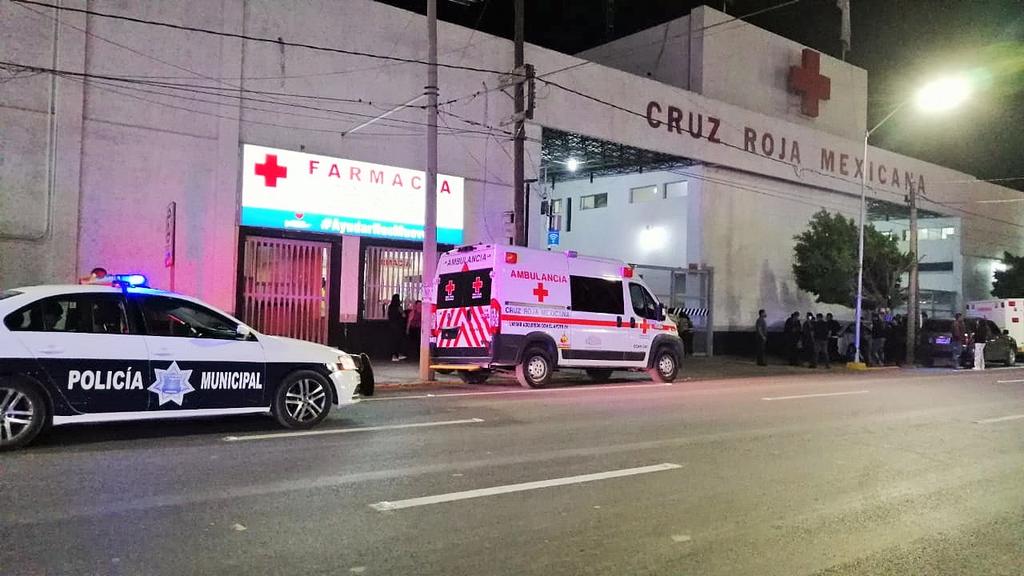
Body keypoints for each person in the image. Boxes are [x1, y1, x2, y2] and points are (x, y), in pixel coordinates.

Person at [387, 294, 407, 362]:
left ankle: (395, 355)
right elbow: (404, 315)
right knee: (398, 341)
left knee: (393, 341)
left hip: (392, 326)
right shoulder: (399, 307)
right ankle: (397, 354)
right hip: (398, 326)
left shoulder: (390, 307)